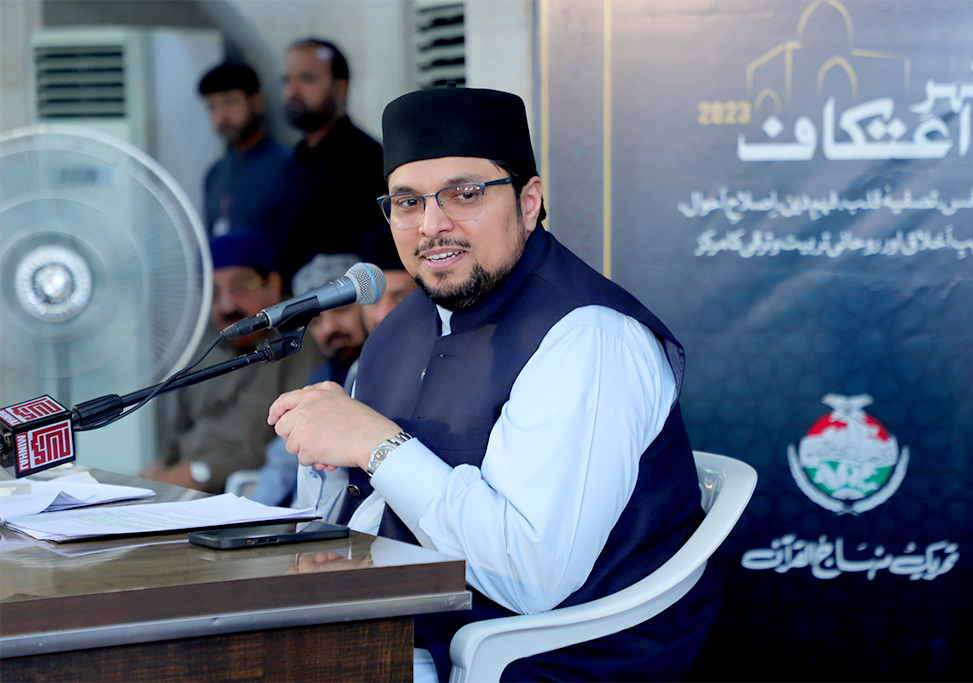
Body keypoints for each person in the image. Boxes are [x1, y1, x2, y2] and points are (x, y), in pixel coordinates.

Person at [268, 87, 716, 681]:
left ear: (529, 203)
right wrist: (322, 461)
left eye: (465, 193)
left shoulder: (587, 337)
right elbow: (366, 503)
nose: (432, 225)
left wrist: (376, 446)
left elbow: (530, 576)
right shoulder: (404, 325)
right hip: (409, 633)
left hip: (547, 662)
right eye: (407, 202)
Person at [140, 233, 320, 493]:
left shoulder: (297, 343)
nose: (227, 305)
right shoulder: (203, 346)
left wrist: (200, 473)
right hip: (183, 483)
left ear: (272, 285)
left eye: (241, 286)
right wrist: (159, 469)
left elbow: (288, 446)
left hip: (242, 493)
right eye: (213, 293)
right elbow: (179, 431)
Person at [252, 231, 417, 509]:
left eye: (340, 311)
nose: (329, 329)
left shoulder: (405, 367)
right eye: (315, 321)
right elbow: (285, 461)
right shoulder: (325, 377)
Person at [270, 38, 388, 288]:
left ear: (340, 87)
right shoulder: (292, 161)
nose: (293, 91)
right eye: (287, 80)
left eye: (307, 78)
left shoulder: (366, 158)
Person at [197, 62, 290, 239]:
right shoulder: (215, 173)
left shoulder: (288, 167)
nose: (221, 116)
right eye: (212, 106)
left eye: (229, 101)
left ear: (256, 101)